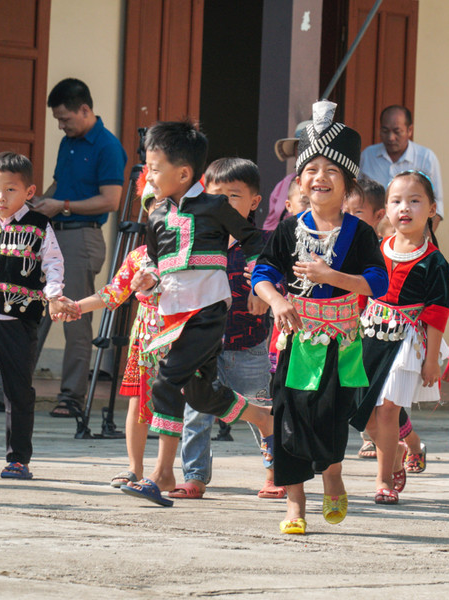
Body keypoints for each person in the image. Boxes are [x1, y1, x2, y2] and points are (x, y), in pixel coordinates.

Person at [119, 120, 273, 507]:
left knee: (166, 384)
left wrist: (258, 277)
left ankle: (161, 473)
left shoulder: (216, 207)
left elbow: (254, 240)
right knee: (200, 393)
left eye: (154, 168)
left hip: (206, 312)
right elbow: (156, 264)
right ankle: (261, 417)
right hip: (173, 313)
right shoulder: (155, 215)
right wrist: (147, 279)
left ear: (184, 172)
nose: (148, 176)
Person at [252, 101, 388, 534]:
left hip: (341, 341)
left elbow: (378, 283)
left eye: (331, 170)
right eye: (311, 169)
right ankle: (295, 506)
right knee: (288, 417)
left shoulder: (361, 233)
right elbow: (262, 273)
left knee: (331, 416)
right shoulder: (289, 230)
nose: (320, 177)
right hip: (295, 340)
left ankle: (332, 476)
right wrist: (276, 301)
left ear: (348, 184)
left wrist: (332, 276)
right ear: (300, 181)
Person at [171, 158, 284, 500]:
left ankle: (276, 473)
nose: (222, 204)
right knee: (196, 413)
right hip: (202, 345)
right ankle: (194, 476)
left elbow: (281, 282)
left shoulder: (264, 244)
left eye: (232, 196)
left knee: (260, 409)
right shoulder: (197, 240)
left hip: (247, 346)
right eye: (215, 195)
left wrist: (266, 291)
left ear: (254, 202)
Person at [50, 173, 162, 489]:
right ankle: (135, 468)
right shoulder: (138, 257)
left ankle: (189, 472)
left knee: (189, 410)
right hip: (147, 342)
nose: (161, 212)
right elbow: (113, 293)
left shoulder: (189, 254)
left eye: (169, 205)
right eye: (154, 206)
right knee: (139, 405)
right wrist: (76, 306)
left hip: (183, 340)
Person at [0, 152, 69, 479]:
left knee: (17, 390)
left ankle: (18, 458)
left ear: (29, 191)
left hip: (19, 322)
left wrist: (54, 294)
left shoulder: (39, 226)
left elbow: (53, 263)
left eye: (10, 190)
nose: (1, 197)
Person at [28, 78, 128, 418]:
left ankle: (71, 396)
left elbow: (111, 200)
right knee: (34, 312)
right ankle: (16, 385)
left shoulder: (108, 146)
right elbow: (61, 184)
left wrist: (63, 205)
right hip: (54, 232)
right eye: (57, 119)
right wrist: (40, 202)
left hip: (81, 236)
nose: (61, 125)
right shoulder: (67, 142)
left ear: (85, 110)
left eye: (66, 119)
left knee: (72, 315)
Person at [350, 171, 449, 505]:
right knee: (362, 414)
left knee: (388, 410)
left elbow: (437, 314)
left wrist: (432, 359)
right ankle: (397, 454)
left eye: (414, 200)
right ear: (386, 211)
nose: (404, 208)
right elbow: (363, 293)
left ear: (432, 209)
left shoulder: (434, 261)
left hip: (407, 341)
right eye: (396, 201)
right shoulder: (377, 249)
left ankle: (382, 481)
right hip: (370, 333)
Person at [360, 106, 444, 229]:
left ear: (410, 130)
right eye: (385, 131)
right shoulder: (368, 156)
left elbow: (438, 205)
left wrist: (425, 239)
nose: (391, 137)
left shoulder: (426, 158)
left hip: (413, 236)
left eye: (397, 131)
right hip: (372, 234)